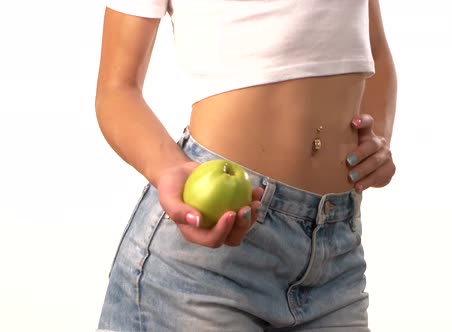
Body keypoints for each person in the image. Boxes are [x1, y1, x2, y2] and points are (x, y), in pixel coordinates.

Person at [96, 0, 396, 331]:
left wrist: (378, 140)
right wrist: (169, 169)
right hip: (208, 252)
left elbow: (375, 51)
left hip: (335, 253)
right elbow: (116, 90)